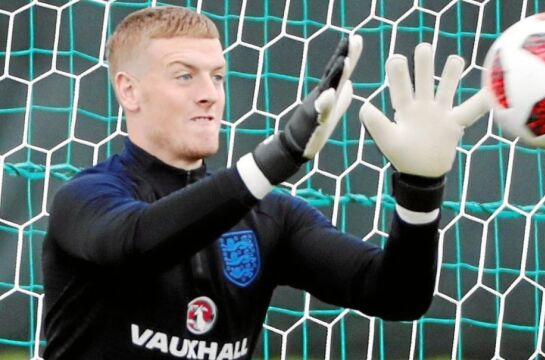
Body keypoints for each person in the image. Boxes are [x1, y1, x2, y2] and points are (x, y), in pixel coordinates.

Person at [42, 6, 488, 360]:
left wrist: (420, 191)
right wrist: (278, 156)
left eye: (217, 76)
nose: (210, 93)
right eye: (184, 75)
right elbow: (138, 242)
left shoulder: (271, 217)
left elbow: (396, 296)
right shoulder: (86, 198)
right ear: (128, 91)